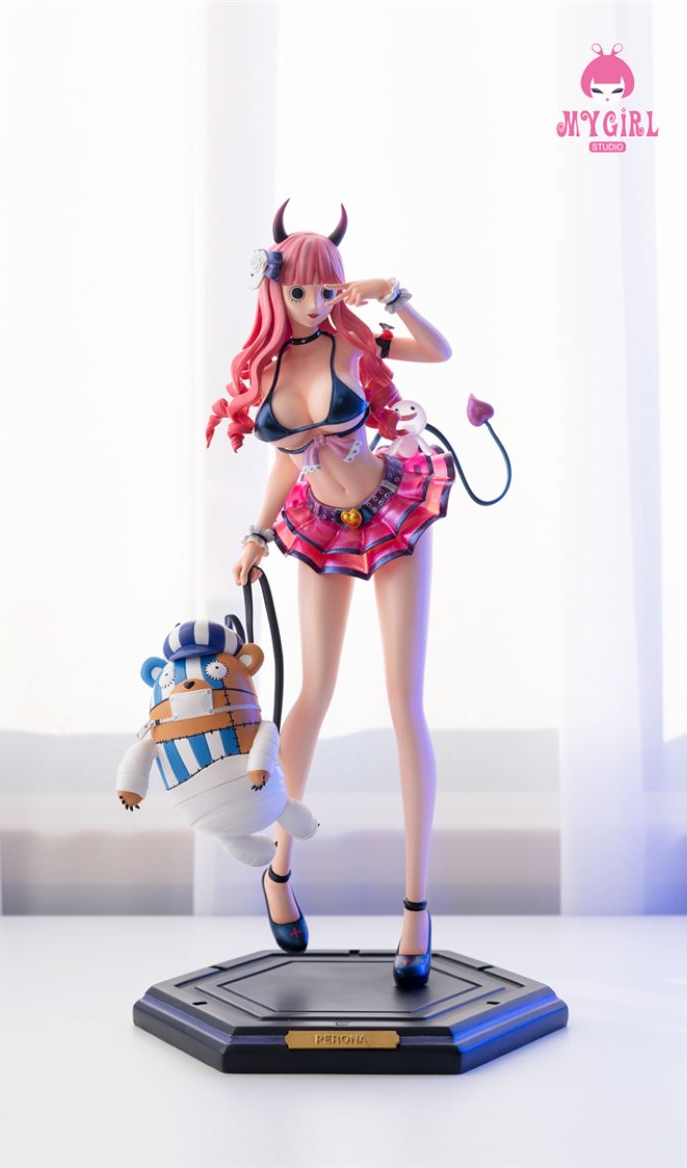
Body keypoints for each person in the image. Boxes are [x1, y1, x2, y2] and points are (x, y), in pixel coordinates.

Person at [205, 200, 455, 987]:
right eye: (301, 291)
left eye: (326, 290)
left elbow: (438, 351)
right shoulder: (264, 369)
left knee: (403, 701)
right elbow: (287, 459)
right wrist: (256, 533)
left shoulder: (353, 339)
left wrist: (392, 294)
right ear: (274, 289)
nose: (315, 304)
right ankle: (279, 874)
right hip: (320, 527)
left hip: (391, 510)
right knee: (310, 694)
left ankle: (416, 907)